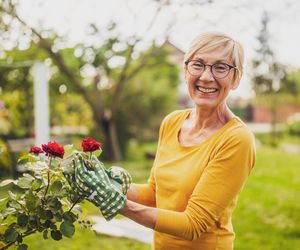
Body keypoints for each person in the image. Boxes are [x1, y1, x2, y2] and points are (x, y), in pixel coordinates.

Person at [68, 32, 256, 250]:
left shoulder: (236, 139)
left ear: (236, 79)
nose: (206, 76)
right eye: (198, 64)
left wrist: (118, 204)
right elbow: (155, 193)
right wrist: (109, 184)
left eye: (220, 67)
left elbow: (193, 224)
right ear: (186, 71)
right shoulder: (172, 122)